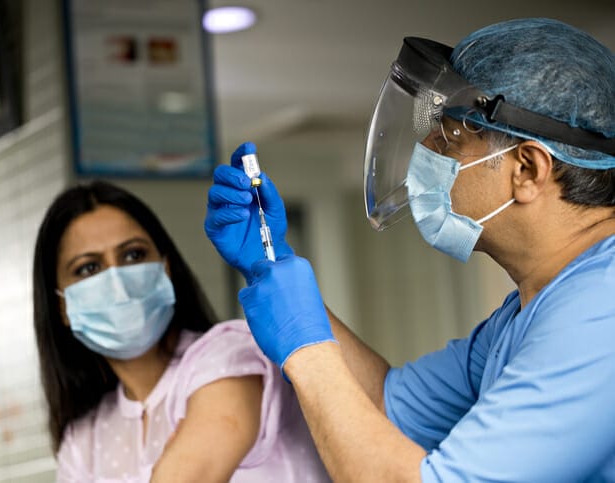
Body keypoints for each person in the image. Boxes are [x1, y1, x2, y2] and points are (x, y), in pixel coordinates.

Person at [205, 18, 615, 482]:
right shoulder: (533, 307)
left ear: (527, 170)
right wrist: (272, 263)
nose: (426, 148)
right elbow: (387, 406)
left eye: (451, 137)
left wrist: (306, 350)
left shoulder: (600, 308)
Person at [32, 180, 330, 482]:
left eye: (133, 255)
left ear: (166, 268)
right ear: (61, 307)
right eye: (88, 269)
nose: (118, 282)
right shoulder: (84, 442)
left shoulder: (229, 358)